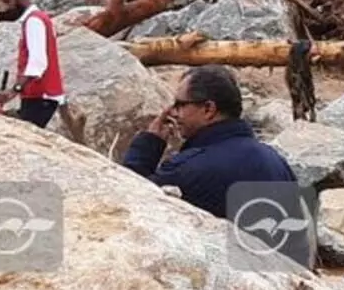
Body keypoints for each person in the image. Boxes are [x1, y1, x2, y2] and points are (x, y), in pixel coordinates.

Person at [121, 65, 297, 219]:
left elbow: (129, 199)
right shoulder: (276, 161)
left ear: (208, 109)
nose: (173, 113)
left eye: (180, 104)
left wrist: (149, 145)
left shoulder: (189, 168)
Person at [0, 0, 65, 129]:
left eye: (8, 1)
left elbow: (37, 62)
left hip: (40, 96)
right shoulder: (40, 19)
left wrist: (14, 90)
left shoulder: (34, 21)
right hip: (40, 95)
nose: (6, 8)